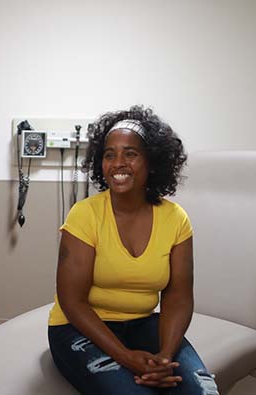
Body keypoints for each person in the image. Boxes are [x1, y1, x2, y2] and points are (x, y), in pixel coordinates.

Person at [47, 105, 219, 394]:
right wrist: (127, 358)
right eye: (109, 154)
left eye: (130, 153)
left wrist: (165, 356)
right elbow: (71, 300)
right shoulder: (84, 215)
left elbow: (177, 296)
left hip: (142, 324)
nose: (118, 163)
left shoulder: (175, 218)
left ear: (151, 162)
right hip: (78, 328)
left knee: (203, 391)